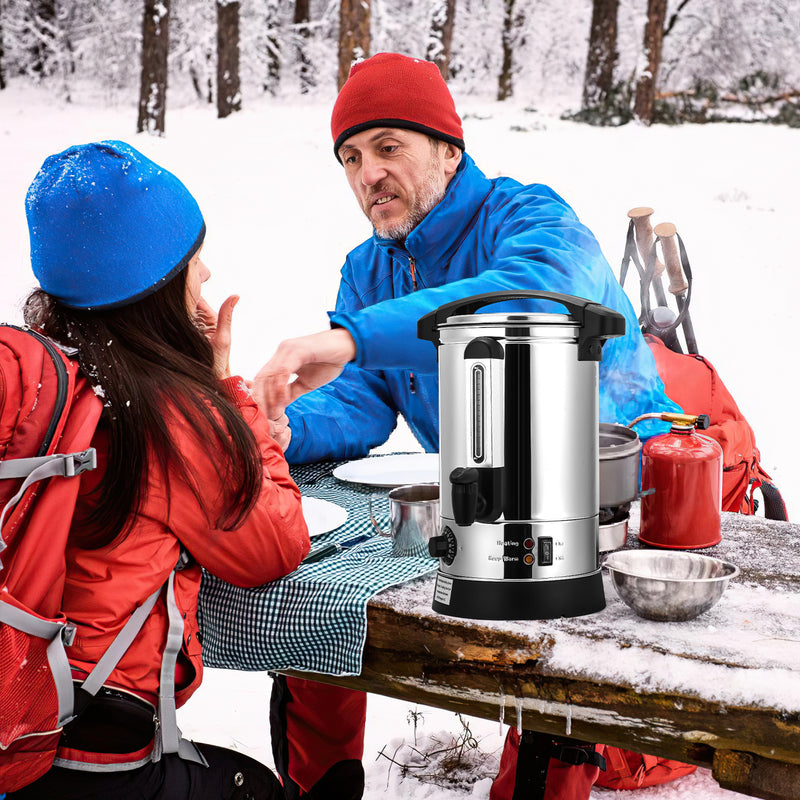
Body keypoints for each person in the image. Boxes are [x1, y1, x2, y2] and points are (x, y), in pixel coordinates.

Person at [255, 54, 680, 800]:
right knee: (310, 603)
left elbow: (536, 302)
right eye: (351, 157)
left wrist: (354, 335)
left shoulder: (530, 217)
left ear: (450, 151)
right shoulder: (369, 268)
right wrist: (280, 424)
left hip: (636, 486)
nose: (366, 175)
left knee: (612, 724)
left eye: (389, 147)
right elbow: (358, 401)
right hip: (498, 501)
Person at [7, 141, 310, 800]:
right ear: (157, 283)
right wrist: (226, 390)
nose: (203, 275)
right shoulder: (168, 415)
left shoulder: (40, 389)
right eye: (189, 259)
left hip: (20, 728)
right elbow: (275, 545)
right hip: (94, 756)